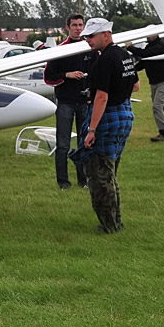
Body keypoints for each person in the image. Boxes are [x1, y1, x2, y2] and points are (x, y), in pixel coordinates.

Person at [79, 17, 139, 234]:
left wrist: (91, 129)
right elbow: (137, 86)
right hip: (125, 114)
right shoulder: (126, 56)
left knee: (99, 174)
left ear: (106, 34)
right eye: (86, 36)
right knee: (110, 172)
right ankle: (117, 221)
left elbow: (101, 97)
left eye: (91, 36)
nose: (87, 39)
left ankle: (109, 226)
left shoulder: (105, 60)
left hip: (107, 117)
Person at [43, 14, 91, 191]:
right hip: (65, 103)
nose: (78, 28)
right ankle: (63, 182)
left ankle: (83, 179)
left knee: (84, 142)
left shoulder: (89, 48)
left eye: (80, 25)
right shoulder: (60, 50)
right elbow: (48, 77)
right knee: (63, 144)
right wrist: (66, 75)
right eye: (74, 25)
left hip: (85, 103)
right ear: (67, 27)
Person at [128, 35, 164, 142]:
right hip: (154, 82)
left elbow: (144, 54)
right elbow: (143, 62)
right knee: (163, 106)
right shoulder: (149, 47)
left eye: (149, 35)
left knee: (157, 106)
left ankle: (162, 133)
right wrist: (130, 70)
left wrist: (130, 47)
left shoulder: (161, 46)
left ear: (156, 35)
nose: (147, 37)